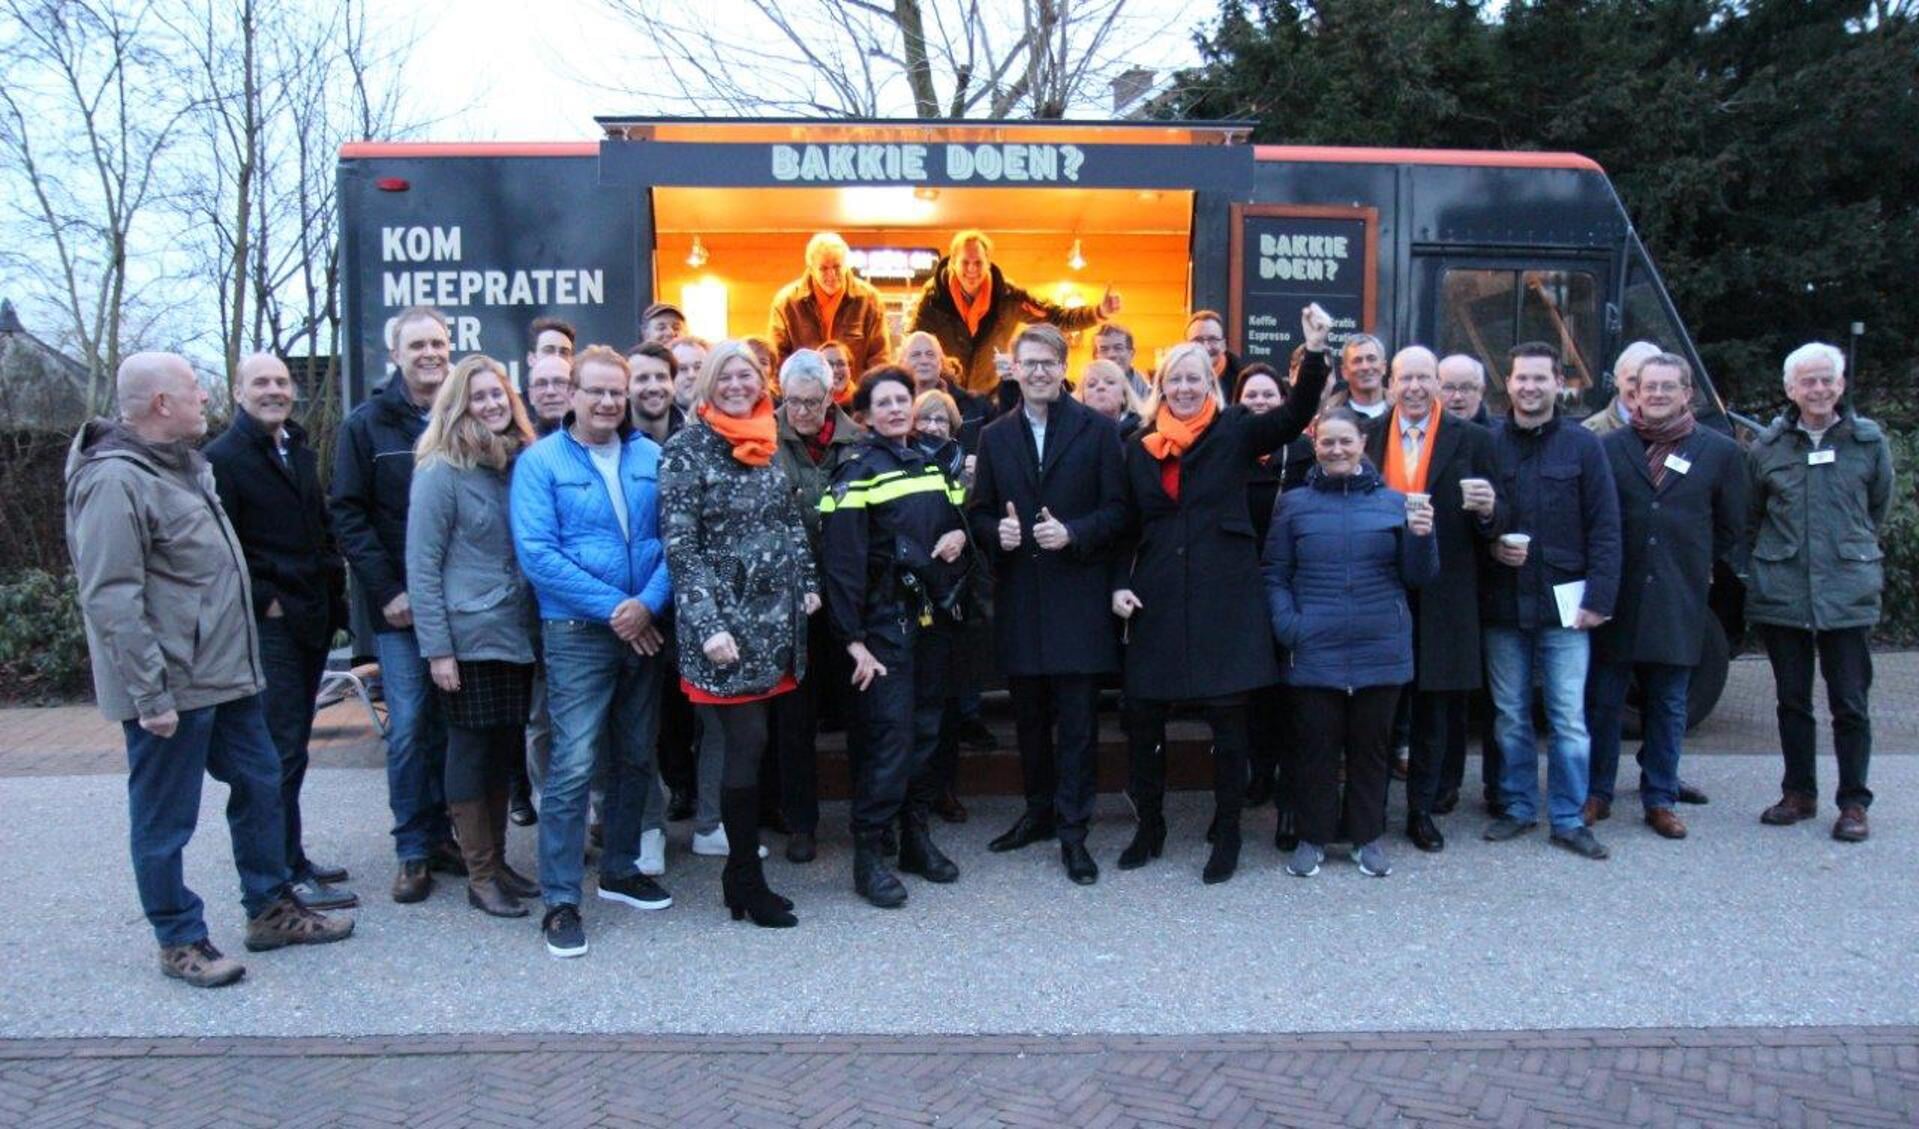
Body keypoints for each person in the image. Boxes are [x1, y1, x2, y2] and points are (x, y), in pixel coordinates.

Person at [67, 352, 353, 988]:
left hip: (228, 673)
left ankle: (270, 906)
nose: (206, 398)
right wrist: (150, 692)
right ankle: (178, 937)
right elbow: (111, 594)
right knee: (165, 817)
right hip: (170, 685)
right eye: (195, 389)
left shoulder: (183, 468)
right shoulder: (115, 480)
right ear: (162, 404)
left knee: (260, 781)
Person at [1112, 304, 1333, 884]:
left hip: (1224, 598)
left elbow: (1294, 415)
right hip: (1158, 599)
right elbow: (1125, 524)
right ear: (1159, 389)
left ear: (1210, 383)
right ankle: (1150, 827)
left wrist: (1312, 352)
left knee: (1230, 726)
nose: (1183, 388)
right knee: (1143, 721)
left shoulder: (1235, 430)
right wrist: (1118, 585)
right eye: (1173, 379)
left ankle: (1228, 832)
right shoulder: (1138, 447)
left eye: (1194, 378)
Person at [511, 346, 676, 958]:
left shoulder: (651, 457)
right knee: (574, 763)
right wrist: (619, 609)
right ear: (573, 395)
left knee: (636, 753)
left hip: (643, 623)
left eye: (617, 392)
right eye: (596, 391)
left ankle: (621, 868)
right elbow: (538, 555)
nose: (608, 402)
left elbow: (672, 541)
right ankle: (560, 899)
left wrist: (646, 605)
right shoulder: (541, 463)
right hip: (578, 631)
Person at [660, 340, 819, 928]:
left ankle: (739, 879)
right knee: (743, 747)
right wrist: (707, 627)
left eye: (745, 374)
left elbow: (788, 519)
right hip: (724, 630)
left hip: (777, 624)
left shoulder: (768, 440)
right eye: (723, 375)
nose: (735, 383)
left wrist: (807, 580)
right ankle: (746, 878)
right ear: (706, 382)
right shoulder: (686, 450)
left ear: (761, 382)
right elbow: (681, 548)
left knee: (756, 746)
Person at [967, 324, 1129, 884]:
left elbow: (1119, 511)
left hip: (1078, 599)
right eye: (1028, 363)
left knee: (1079, 725)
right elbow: (980, 511)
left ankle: (1073, 831)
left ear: (1064, 367)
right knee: (1029, 723)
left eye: (1048, 363)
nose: (1038, 372)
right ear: (1013, 367)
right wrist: (996, 535)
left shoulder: (1100, 431)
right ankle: (1037, 812)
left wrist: (1076, 533)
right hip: (1021, 601)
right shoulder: (994, 436)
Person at [205, 354, 356, 910]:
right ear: (239, 392)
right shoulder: (222, 459)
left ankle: (290, 859)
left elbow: (317, 527)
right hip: (272, 627)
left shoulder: (295, 448)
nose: (274, 391)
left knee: (290, 749)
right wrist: (264, 601)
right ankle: (277, 877)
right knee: (274, 755)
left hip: (309, 620)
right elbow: (220, 549)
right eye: (261, 383)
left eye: (282, 382)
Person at [820, 366, 973, 908]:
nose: (894, 409)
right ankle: (868, 857)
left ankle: (916, 840)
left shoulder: (933, 459)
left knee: (928, 733)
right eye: (882, 402)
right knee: (891, 738)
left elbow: (960, 521)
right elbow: (840, 563)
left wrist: (960, 532)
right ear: (864, 414)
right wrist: (852, 639)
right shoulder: (857, 470)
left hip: (932, 620)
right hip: (883, 626)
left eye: (901, 400)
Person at [1265, 407, 1439, 878]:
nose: (1336, 450)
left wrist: (1424, 538)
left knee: (1371, 750)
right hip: (1314, 644)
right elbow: (1276, 572)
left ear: (1363, 442)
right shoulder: (1293, 504)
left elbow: (1419, 577)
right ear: (1315, 446)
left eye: (1345, 441)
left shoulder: (1395, 503)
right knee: (1315, 749)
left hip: (1380, 646)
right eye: (1327, 443)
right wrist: (1289, 625)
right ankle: (1313, 835)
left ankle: (1367, 837)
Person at [330, 305, 462, 903]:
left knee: (449, 726)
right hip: (402, 609)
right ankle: (412, 848)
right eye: (418, 346)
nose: (430, 353)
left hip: (462, 603)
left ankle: (442, 834)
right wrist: (388, 591)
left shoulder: (465, 417)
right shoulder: (367, 425)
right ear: (396, 356)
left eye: (438, 343)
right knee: (409, 725)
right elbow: (348, 515)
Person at [1586, 353, 1744, 840]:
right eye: (1648, 387)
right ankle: (1598, 792)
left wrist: (1693, 564)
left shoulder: (1719, 452)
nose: (1655, 395)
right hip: (1617, 593)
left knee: (1669, 702)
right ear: (1634, 393)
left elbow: (1732, 526)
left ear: (1686, 393)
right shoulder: (1609, 448)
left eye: (1666, 387)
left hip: (1679, 594)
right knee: (1605, 700)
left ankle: (1660, 797)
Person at [406, 355, 543, 917]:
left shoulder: (514, 464)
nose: (491, 405)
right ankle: (479, 872)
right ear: (459, 403)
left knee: (503, 750)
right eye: (479, 396)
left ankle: (499, 863)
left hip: (514, 631)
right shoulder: (442, 469)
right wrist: (437, 648)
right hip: (466, 635)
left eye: (498, 395)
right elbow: (422, 563)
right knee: (469, 749)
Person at [1746, 342, 1892, 843]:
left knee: (1850, 702)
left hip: (1847, 591)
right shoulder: (1768, 447)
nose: (1819, 388)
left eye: (1827, 379)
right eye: (1808, 381)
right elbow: (1753, 516)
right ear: (1790, 389)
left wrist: (1847, 553)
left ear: (1842, 383)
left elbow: (1876, 508)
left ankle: (1853, 802)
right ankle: (1798, 794)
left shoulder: (1868, 442)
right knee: (1792, 701)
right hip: (1783, 590)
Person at [1481, 342, 1621, 860]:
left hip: (1567, 604)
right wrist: (1492, 540)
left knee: (1567, 717)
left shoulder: (1584, 446)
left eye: (1540, 378)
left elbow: (1606, 527)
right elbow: (1477, 519)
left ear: (1559, 383)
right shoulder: (1490, 442)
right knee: (1510, 715)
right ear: (1509, 384)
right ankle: (1518, 806)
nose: (1530, 387)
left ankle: (1567, 816)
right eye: (1521, 378)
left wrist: (1600, 598)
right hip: (1502, 602)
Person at [1360, 347, 1504, 853]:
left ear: (1439, 385)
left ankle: (1421, 811)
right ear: (1389, 383)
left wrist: (1490, 514)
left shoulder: (1474, 440)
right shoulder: (1369, 437)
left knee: (1432, 712)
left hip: (1446, 593)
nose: (1416, 387)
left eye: (1425, 377)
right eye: (1406, 378)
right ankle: (1368, 811)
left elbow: (1501, 515)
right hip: (1382, 590)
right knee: (1378, 709)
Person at [770, 350, 865, 862]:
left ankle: (866, 819)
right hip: (790, 600)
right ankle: (801, 821)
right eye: (793, 402)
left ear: (831, 397)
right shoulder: (763, 441)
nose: (802, 412)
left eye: (813, 402)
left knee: (859, 712)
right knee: (794, 717)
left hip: (848, 593)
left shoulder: (858, 442)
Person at [909, 229, 1120, 396]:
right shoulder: (933, 298)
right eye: (965, 262)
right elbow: (912, 344)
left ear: (988, 263)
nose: (972, 269)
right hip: (945, 395)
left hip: (989, 399)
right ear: (953, 262)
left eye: (978, 262)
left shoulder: (1008, 297)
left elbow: (1055, 317)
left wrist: (1099, 312)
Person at [1230, 363, 1294, 817]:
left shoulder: (1305, 453)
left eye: (1269, 395)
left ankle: (1288, 783)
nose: (1259, 402)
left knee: (1287, 692)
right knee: (1250, 690)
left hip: (1291, 587)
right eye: (1250, 395)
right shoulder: (1226, 452)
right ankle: (1258, 771)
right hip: (1238, 587)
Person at [770, 232, 892, 374]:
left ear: (847, 266)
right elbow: (777, 360)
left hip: (855, 393)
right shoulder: (786, 303)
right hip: (806, 392)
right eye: (823, 268)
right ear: (811, 269)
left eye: (837, 267)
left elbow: (879, 358)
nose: (832, 275)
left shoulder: (870, 300)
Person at [901, 330, 992, 452]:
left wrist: (980, 462)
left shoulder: (976, 407)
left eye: (930, 354)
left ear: (941, 362)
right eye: (916, 355)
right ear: (902, 363)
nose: (924, 361)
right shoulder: (893, 410)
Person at [1584, 341, 1663, 437]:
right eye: (1633, 380)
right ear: (1616, 380)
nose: (1640, 389)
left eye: (1650, 383)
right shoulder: (1590, 434)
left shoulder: (1676, 431)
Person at [1076, 358, 1144, 437]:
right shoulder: (1071, 433)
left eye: (1110, 382)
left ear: (1124, 394)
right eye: (1092, 384)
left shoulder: (1143, 434)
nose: (1101, 387)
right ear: (1082, 397)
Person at [1185, 309, 1243, 401]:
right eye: (1198, 340)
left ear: (1223, 345)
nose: (1206, 347)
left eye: (1213, 339)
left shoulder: (1242, 380)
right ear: (1185, 346)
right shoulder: (1172, 379)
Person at [524, 337, 576, 438]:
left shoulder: (599, 442)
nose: (550, 391)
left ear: (574, 391)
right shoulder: (519, 448)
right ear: (531, 396)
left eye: (560, 382)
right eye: (541, 384)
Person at [1093, 322, 1152, 400]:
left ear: (1131, 353)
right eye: (1104, 349)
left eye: (1118, 348)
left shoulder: (1149, 395)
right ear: (1095, 356)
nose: (1111, 355)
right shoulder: (1084, 393)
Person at [1339, 334, 1390, 420]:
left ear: (1384, 367)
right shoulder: (1330, 413)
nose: (1365, 367)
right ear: (1345, 372)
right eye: (1357, 361)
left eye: (1371, 359)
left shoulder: (1401, 409)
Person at [1439, 354, 1493, 425]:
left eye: (1465, 388)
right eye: (1449, 388)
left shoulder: (1500, 434)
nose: (1457, 397)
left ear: (1480, 391)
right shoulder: (1423, 432)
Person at [667, 335, 711, 411]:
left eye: (698, 367)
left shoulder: (728, 415)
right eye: (682, 369)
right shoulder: (658, 420)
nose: (691, 375)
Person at [819, 339, 857, 406]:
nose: (835, 370)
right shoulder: (804, 407)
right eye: (828, 364)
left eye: (841, 364)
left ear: (850, 369)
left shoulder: (864, 406)